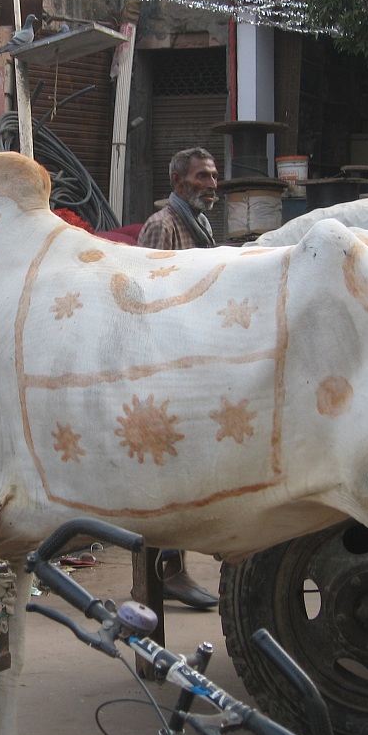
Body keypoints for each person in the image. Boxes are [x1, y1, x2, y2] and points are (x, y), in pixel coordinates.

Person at [136, 147, 221, 610]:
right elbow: (144, 297)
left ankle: (171, 571)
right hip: (162, 362)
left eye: (213, 176)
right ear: (177, 181)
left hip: (189, 359)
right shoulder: (163, 226)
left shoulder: (199, 224)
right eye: (202, 176)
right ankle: (164, 575)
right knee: (165, 469)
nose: (211, 184)